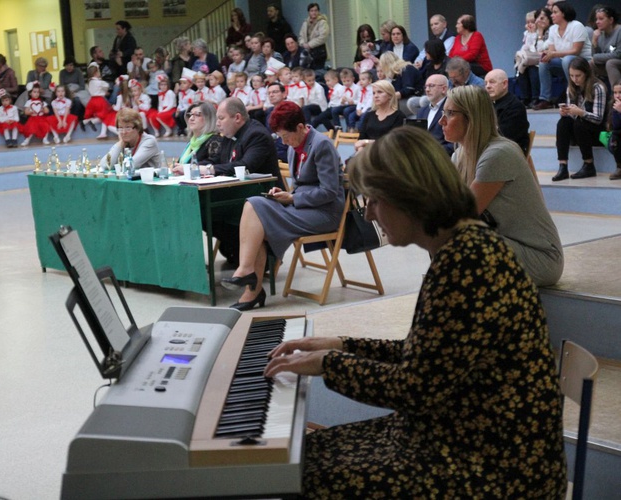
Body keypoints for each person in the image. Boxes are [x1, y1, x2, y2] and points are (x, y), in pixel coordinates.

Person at [264, 125, 567, 499]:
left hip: (493, 466)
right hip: (471, 438)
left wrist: (331, 364)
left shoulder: (466, 263)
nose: (371, 213)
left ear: (409, 197)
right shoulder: (463, 246)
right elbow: (426, 358)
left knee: (304, 474)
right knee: (306, 457)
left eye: (374, 200)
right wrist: (342, 344)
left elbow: (415, 389)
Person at [221, 101, 344, 311]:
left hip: (324, 213)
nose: (285, 142)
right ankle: (250, 283)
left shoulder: (321, 145)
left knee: (256, 211)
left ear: (300, 127)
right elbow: (301, 185)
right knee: (254, 205)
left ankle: (250, 282)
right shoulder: (294, 147)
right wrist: (287, 194)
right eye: (280, 137)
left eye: (286, 136)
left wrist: (294, 199)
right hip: (304, 207)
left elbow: (329, 192)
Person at [441, 85, 564, 286]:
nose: (441, 121)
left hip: (540, 258)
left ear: (472, 117)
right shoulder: (460, 156)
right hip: (505, 244)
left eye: (450, 113)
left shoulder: (498, 153)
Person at [211, 98, 282, 262]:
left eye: (221, 118)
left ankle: (258, 258)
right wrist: (193, 168)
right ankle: (236, 250)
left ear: (237, 118)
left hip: (261, 197)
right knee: (200, 212)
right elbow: (216, 160)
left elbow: (245, 166)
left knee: (207, 212)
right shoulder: (230, 134)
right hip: (236, 195)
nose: (217, 123)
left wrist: (210, 169)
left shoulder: (256, 135)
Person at [552, 57, 608, 181]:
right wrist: (566, 112)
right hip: (579, 130)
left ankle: (589, 164)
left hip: (595, 130)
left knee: (580, 123)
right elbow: (572, 116)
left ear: (586, 74)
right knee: (563, 122)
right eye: (571, 76)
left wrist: (581, 113)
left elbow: (598, 118)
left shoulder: (598, 87)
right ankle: (563, 166)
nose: (574, 79)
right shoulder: (571, 87)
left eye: (578, 75)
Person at [533, 1, 592, 109]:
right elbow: (552, 52)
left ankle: (573, 94)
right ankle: (545, 99)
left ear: (563, 13)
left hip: (583, 62)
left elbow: (576, 51)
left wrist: (554, 53)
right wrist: (547, 55)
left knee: (567, 60)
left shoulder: (576, 26)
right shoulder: (553, 29)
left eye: (555, 12)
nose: (551, 15)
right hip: (564, 62)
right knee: (544, 62)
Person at [484, 69, 531, 154]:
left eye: (492, 82)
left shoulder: (515, 107)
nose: (488, 86)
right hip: (492, 149)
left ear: (505, 84)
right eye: (486, 83)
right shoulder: (488, 105)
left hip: (508, 153)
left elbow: (503, 137)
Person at [354, 80, 405, 151]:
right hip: (366, 154)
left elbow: (394, 142)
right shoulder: (369, 115)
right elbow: (360, 139)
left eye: (380, 92)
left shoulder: (399, 116)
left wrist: (367, 142)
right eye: (374, 93)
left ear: (390, 95)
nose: (376, 96)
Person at [172, 102, 224, 172]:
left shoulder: (215, 141)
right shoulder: (192, 142)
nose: (191, 118)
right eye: (190, 115)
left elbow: (213, 165)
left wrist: (186, 168)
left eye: (197, 115)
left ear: (209, 118)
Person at [517, 8, 553, 108]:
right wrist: (530, 35)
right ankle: (525, 98)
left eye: (532, 21)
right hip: (534, 59)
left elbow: (540, 50)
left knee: (533, 68)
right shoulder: (530, 33)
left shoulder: (549, 31)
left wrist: (538, 34)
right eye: (527, 22)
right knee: (521, 66)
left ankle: (535, 97)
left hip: (544, 59)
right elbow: (526, 48)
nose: (530, 24)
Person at [416, 74, 453, 155]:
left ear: (444, 89)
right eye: (426, 87)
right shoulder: (421, 111)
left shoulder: (452, 109)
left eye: (431, 86)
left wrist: (433, 153)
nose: (427, 90)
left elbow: (454, 143)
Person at [377, 52, 422, 117]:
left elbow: (408, 90)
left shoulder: (406, 68)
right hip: (403, 100)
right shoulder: (396, 74)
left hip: (413, 98)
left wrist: (388, 97)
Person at [591, 6, 621, 86]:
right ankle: (597, 92)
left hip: (616, 63)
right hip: (607, 64)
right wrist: (594, 42)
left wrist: (596, 57)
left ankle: (617, 94)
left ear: (611, 20)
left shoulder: (619, 31)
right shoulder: (600, 33)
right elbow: (593, 56)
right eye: (596, 19)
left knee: (611, 63)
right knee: (590, 64)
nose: (597, 22)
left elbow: (618, 54)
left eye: (601, 19)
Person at [298, 3, 330, 70]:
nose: (314, 12)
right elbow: (301, 36)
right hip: (308, 53)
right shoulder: (305, 23)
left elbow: (323, 37)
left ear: (318, 11)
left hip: (319, 52)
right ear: (309, 12)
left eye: (315, 10)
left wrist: (309, 45)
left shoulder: (322, 22)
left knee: (318, 72)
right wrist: (303, 44)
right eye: (312, 11)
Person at [20, 82, 51, 147]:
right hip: (33, 118)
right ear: (30, 93)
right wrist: (30, 112)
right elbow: (26, 112)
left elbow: (47, 110)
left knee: (46, 126)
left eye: (38, 92)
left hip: (41, 118)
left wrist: (43, 110)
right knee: (31, 128)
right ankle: (27, 139)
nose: (36, 94)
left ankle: (45, 138)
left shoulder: (42, 102)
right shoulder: (29, 102)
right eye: (34, 92)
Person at [609, 81, 621, 179]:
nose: (617, 96)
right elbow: (616, 125)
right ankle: (619, 167)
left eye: (620, 92)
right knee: (615, 136)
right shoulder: (614, 106)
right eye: (615, 93)